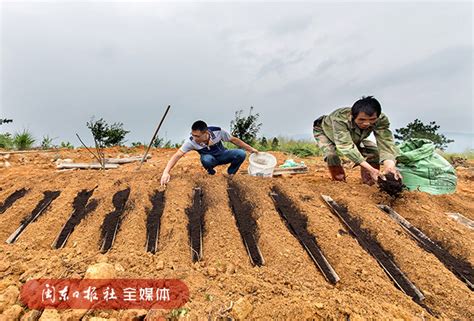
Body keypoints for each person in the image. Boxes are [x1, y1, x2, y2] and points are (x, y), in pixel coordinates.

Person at [313, 96, 402, 185]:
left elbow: (385, 142)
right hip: (325, 131)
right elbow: (346, 146)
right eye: (361, 120)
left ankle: (370, 182)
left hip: (354, 134)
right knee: (331, 155)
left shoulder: (381, 120)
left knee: (373, 152)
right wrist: (370, 169)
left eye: (372, 120)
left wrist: (390, 166)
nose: (367, 123)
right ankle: (339, 181)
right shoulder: (339, 119)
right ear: (353, 115)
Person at [160, 120, 258, 186]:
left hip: (223, 155)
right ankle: (211, 173)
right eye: (192, 135)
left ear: (206, 133)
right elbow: (177, 155)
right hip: (210, 160)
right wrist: (166, 172)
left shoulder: (218, 132)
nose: (194, 138)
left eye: (197, 136)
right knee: (206, 159)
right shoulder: (191, 142)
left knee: (241, 153)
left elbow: (234, 140)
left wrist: (250, 149)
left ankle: (230, 174)